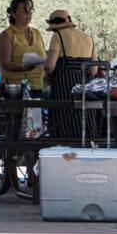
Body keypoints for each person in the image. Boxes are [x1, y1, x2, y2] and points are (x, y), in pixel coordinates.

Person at [43, 10, 101, 139]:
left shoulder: (58, 36)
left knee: (63, 122)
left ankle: (65, 154)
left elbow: (49, 65)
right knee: (85, 122)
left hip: (64, 88)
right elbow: (93, 70)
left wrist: (47, 76)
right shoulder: (88, 38)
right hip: (86, 88)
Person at [0, 0, 46, 92]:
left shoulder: (37, 33)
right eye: (23, 11)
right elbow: (5, 64)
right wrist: (23, 68)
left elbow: (44, 57)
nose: (28, 14)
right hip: (14, 89)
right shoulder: (6, 35)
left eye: (30, 10)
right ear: (13, 14)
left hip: (38, 87)